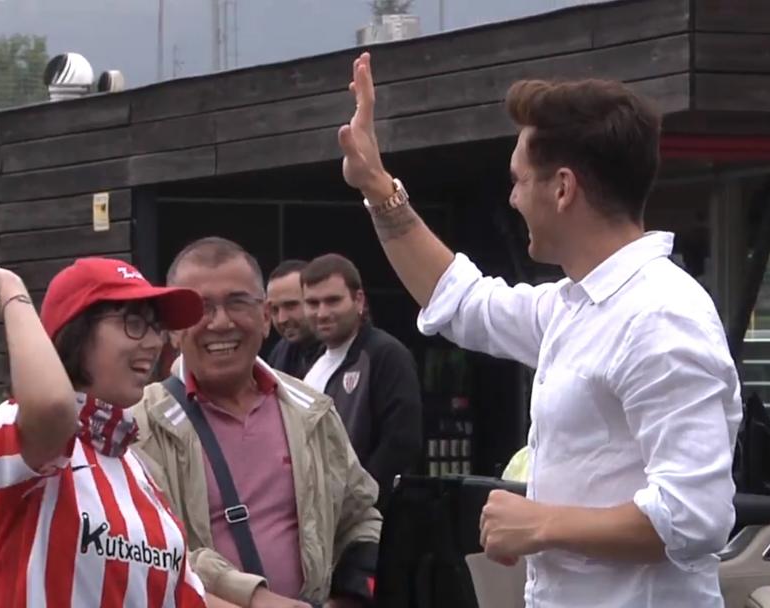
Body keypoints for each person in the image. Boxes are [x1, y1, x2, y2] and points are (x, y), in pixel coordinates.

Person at [336, 52, 742, 607]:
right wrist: (378, 186)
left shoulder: (660, 317)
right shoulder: (576, 305)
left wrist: (542, 524)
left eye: (518, 180)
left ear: (562, 188)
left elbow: (696, 518)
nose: (512, 197)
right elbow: (463, 302)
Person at [0, 256, 239, 608]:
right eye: (134, 323)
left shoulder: (137, 471)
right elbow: (53, 407)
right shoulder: (13, 427)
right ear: (76, 331)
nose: (153, 343)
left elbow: (185, 597)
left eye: (156, 327)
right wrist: (10, 290)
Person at [130, 237, 381, 608]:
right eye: (201, 308)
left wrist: (348, 597)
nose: (221, 322)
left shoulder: (311, 411)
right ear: (174, 330)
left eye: (237, 302)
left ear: (266, 318)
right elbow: (151, 551)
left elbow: (359, 514)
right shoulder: (141, 427)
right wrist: (255, 598)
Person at [300, 253, 422, 510]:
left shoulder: (386, 354)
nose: (322, 313)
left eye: (333, 301)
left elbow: (401, 441)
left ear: (358, 300)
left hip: (367, 519)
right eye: (312, 303)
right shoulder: (311, 361)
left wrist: (358, 501)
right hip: (316, 514)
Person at [265, 260, 321, 378]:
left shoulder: (355, 353)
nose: (281, 319)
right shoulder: (280, 353)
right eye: (274, 309)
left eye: (290, 306)